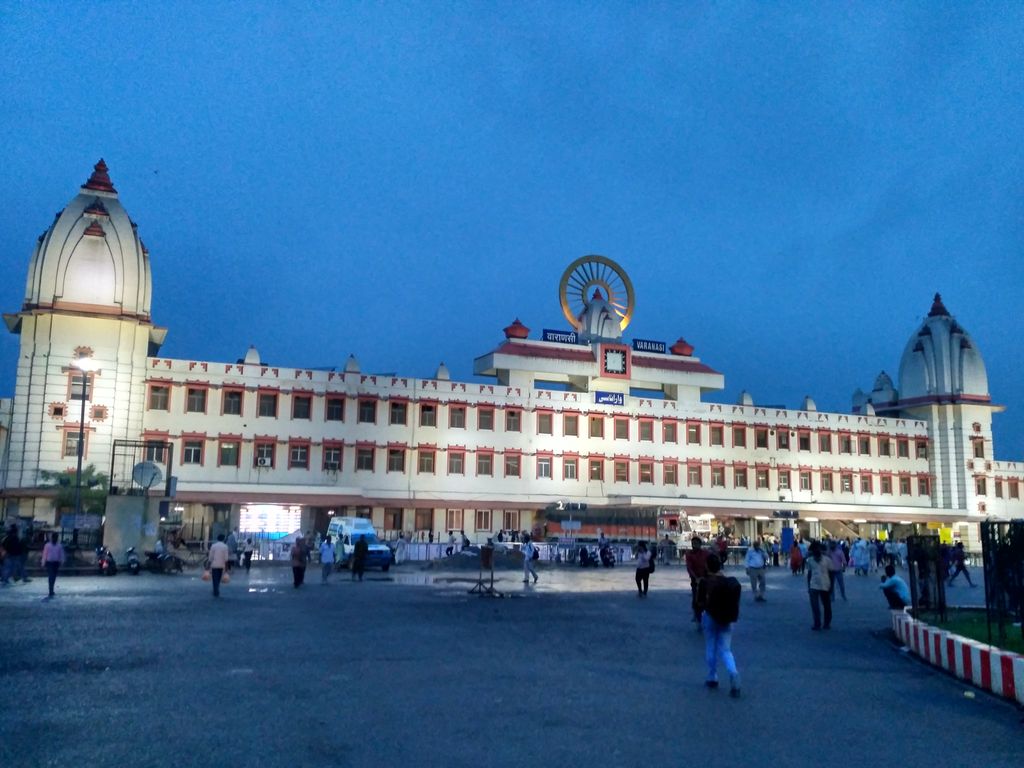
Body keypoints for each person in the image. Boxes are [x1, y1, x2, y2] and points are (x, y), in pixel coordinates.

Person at [698, 554, 741, 697]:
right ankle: (733, 673)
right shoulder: (727, 581)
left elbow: (699, 602)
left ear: (707, 566)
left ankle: (712, 676)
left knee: (711, 645)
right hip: (727, 618)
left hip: (710, 616)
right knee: (726, 650)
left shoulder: (705, 582)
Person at [805, 541, 832, 630]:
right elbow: (809, 573)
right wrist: (809, 586)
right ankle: (817, 623)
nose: (817, 551)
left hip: (825, 584)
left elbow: (831, 573)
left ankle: (826, 623)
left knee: (826, 605)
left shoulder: (827, 560)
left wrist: (831, 586)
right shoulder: (810, 561)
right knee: (815, 606)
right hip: (814, 585)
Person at [685, 536, 709, 625]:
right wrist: (695, 578)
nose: (694, 545)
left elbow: (709, 563)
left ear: (700, 544)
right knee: (696, 596)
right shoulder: (689, 554)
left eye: (696, 544)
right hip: (695, 579)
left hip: (706, 577)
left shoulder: (705, 553)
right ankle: (696, 614)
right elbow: (689, 567)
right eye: (693, 544)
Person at [41, 531, 65, 599]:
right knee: (51, 576)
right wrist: (43, 562)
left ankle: (51, 589)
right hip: (50, 562)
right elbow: (44, 554)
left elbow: (61, 554)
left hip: (55, 563)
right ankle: (51, 590)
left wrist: (62, 561)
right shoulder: (48, 545)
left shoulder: (58, 545)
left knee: (53, 576)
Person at [208, 533, 230, 598]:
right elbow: (226, 558)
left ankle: (215, 590)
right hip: (221, 565)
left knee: (215, 578)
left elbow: (210, 557)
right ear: (223, 539)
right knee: (219, 578)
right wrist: (226, 568)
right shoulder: (225, 546)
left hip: (214, 565)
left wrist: (208, 565)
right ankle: (216, 589)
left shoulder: (213, 546)